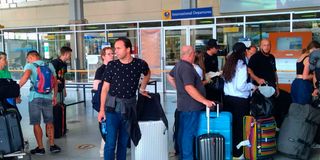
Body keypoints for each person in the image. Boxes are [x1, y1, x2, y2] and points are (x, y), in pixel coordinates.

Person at [97, 37, 151, 160]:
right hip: (112, 109)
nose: (116, 51)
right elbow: (105, 89)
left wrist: (142, 88)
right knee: (110, 143)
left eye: (118, 48)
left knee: (123, 143)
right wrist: (101, 110)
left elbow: (147, 73)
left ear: (128, 49)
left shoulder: (139, 64)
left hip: (129, 109)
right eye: (115, 48)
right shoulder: (112, 65)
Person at [167, 45, 215, 160]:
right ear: (190, 54)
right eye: (194, 53)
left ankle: (183, 157)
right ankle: (187, 157)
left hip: (183, 105)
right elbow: (189, 87)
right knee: (188, 134)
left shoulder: (179, 65)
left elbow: (169, 77)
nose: (195, 55)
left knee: (183, 133)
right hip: (191, 107)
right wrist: (205, 101)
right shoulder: (187, 68)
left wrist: (180, 89)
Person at [19, 50, 61, 155]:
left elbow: (25, 77)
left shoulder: (30, 65)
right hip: (48, 97)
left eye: (27, 58)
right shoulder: (49, 65)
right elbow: (55, 83)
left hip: (34, 97)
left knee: (36, 123)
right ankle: (52, 145)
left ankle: (41, 148)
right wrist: (55, 96)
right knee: (49, 122)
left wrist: (16, 89)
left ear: (31, 57)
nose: (27, 60)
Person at [222, 42, 255, 158]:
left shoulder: (228, 63)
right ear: (243, 52)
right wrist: (251, 87)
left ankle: (231, 151)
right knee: (240, 128)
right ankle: (239, 153)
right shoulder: (241, 65)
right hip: (239, 102)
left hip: (228, 99)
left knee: (231, 126)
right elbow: (240, 86)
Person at [92, 46, 114, 158]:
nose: (112, 55)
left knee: (112, 127)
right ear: (103, 56)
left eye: (112, 53)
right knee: (106, 127)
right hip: (104, 103)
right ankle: (103, 151)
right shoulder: (101, 70)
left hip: (113, 102)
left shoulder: (115, 67)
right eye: (109, 54)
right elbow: (96, 88)